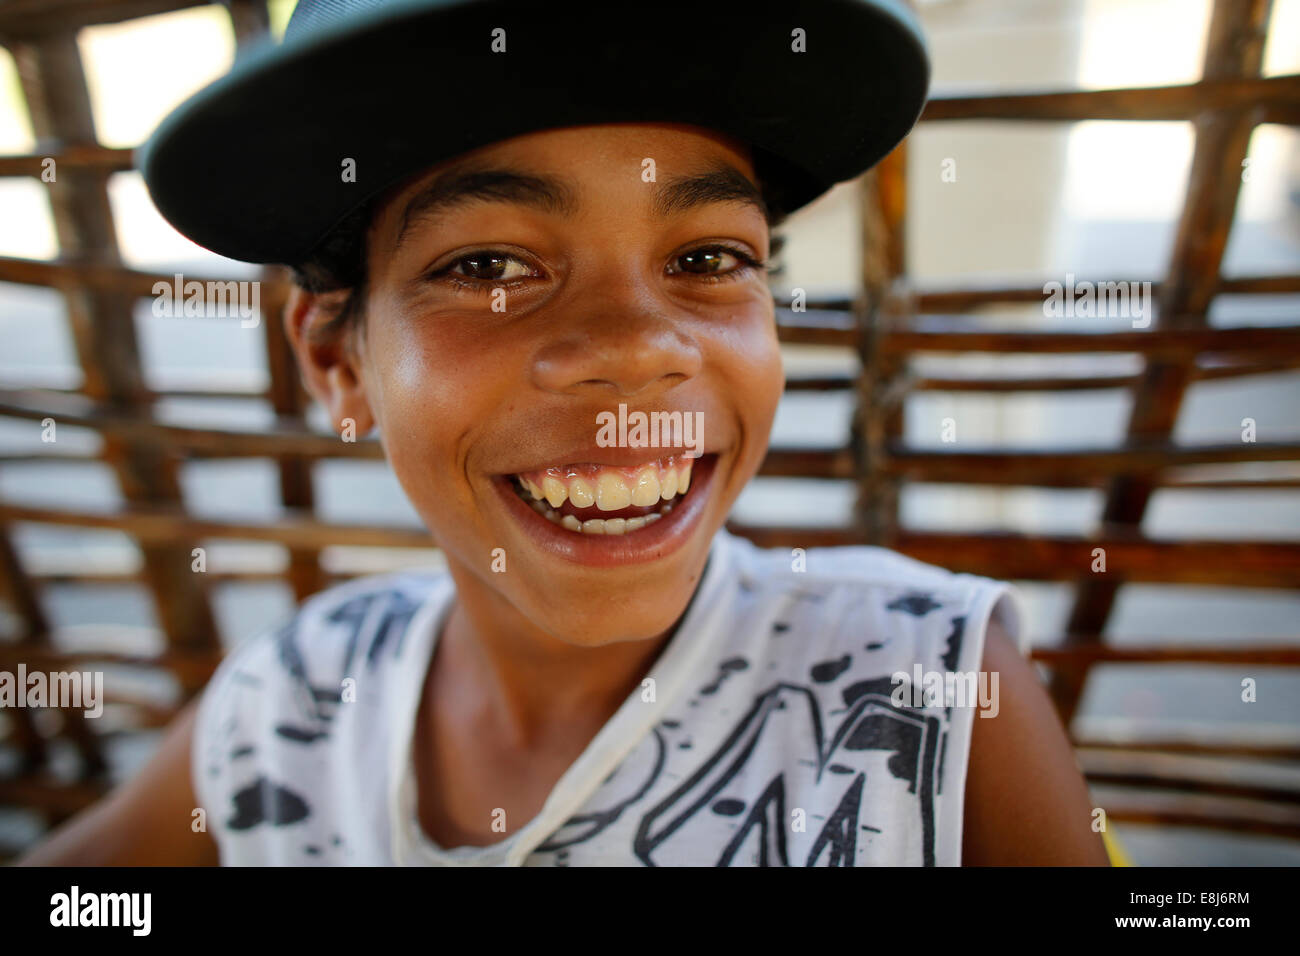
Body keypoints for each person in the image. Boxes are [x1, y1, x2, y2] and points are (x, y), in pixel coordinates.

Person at [20, 0, 1108, 866]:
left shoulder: (935, 693)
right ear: (337, 359)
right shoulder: (293, 700)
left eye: (707, 259)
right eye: (487, 267)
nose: (638, 348)